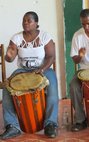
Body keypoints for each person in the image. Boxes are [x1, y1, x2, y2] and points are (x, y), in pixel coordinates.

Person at [0, 11, 59, 139]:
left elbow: (50, 56)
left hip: (43, 69)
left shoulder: (44, 36)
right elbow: (10, 56)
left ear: (36, 23)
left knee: (53, 86)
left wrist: (42, 69)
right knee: (7, 86)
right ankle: (12, 126)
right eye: (24, 20)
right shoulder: (16, 38)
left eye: (29, 20)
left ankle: (51, 124)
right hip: (23, 71)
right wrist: (8, 56)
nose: (25, 23)